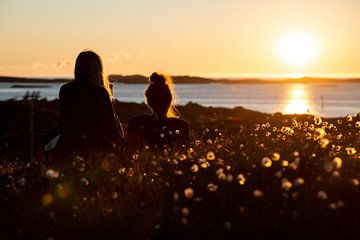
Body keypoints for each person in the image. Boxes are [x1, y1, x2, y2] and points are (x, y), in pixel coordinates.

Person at [44, 50, 124, 159]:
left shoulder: (65, 89)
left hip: (69, 146)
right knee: (116, 119)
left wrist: (46, 141)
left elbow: (63, 124)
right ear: (98, 69)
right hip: (95, 148)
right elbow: (111, 128)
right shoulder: (100, 92)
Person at [127, 72, 190, 153]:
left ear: (148, 101)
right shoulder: (181, 126)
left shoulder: (137, 123)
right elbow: (185, 157)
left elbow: (129, 154)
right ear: (170, 101)